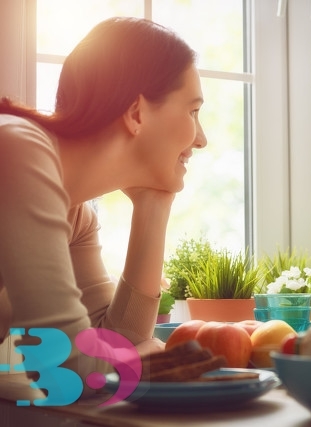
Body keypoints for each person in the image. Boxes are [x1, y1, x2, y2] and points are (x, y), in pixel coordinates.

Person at [0, 17, 207, 394]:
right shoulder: (18, 149)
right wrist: (147, 357)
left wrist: (153, 208)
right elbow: (67, 365)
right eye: (193, 111)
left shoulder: (75, 214)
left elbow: (111, 342)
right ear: (136, 113)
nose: (202, 139)